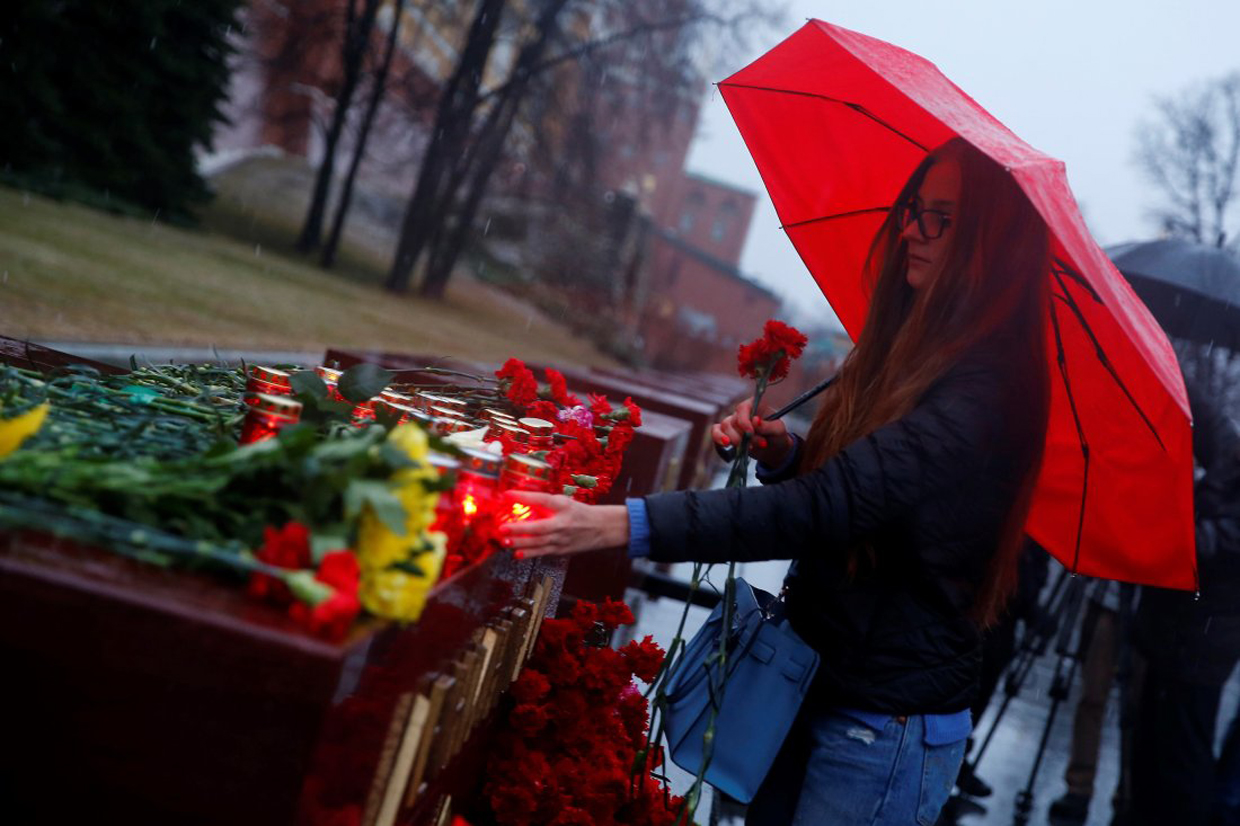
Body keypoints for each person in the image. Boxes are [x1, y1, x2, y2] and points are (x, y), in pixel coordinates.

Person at [499, 137, 1053, 826]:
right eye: (912, 209)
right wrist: (788, 453)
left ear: (987, 245)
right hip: (821, 685)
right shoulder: (919, 357)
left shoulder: (986, 388)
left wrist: (618, 524)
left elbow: (829, 509)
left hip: (881, 732)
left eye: (940, 218)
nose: (911, 229)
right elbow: (873, 502)